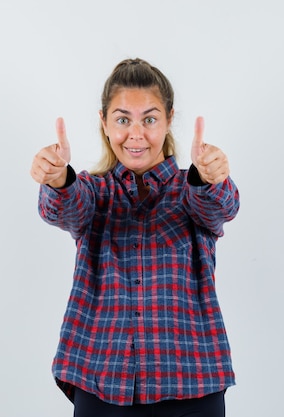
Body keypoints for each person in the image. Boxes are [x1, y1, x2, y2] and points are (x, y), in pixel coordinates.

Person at [30, 58, 239, 417]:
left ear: (169, 119)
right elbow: (67, 209)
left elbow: (221, 207)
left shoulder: (191, 189)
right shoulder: (93, 192)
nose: (137, 134)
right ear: (105, 123)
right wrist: (59, 178)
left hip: (191, 385)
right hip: (101, 381)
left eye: (150, 119)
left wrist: (208, 178)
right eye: (123, 119)